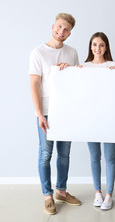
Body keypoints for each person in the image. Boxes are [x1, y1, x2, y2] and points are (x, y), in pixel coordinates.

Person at [29, 13, 81, 215]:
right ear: (53, 26)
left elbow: (77, 82)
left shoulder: (72, 52)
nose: (62, 32)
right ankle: (47, 196)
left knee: (64, 154)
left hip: (66, 112)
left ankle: (61, 191)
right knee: (45, 154)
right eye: (59, 27)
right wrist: (39, 114)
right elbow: (34, 84)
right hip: (47, 113)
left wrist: (69, 71)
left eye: (66, 29)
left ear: (70, 33)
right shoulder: (38, 53)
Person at [76, 32, 115, 210]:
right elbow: (78, 89)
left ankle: (109, 195)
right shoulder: (83, 67)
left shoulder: (113, 65)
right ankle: (97, 193)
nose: (97, 48)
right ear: (90, 47)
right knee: (94, 157)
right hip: (90, 119)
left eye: (101, 45)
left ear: (106, 47)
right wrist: (71, 71)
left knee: (109, 158)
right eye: (94, 45)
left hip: (109, 118)